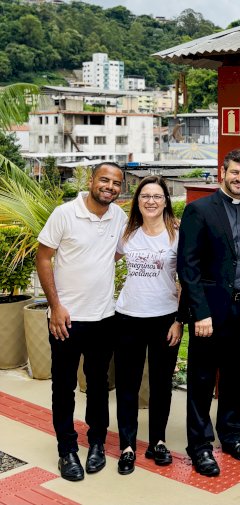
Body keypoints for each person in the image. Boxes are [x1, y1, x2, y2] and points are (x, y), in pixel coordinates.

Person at [36, 162, 127, 481]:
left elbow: (116, 253)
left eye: (117, 183)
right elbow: (43, 256)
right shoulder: (64, 213)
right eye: (105, 180)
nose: (110, 187)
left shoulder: (119, 217)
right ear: (92, 181)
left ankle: (98, 443)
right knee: (64, 387)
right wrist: (55, 305)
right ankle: (67, 451)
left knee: (99, 385)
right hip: (66, 319)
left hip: (103, 318)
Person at [177, 148, 240, 477]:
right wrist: (199, 312)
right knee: (201, 378)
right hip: (209, 310)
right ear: (222, 171)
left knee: (236, 376)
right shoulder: (199, 210)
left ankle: (231, 434)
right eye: (235, 172)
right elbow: (189, 265)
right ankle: (199, 445)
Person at [113, 175, 182, 475]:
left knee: (161, 385)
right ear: (137, 202)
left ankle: (158, 441)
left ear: (166, 201)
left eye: (157, 196)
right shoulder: (126, 233)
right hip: (128, 317)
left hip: (165, 319)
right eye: (145, 196)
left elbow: (188, 281)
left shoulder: (177, 234)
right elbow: (105, 262)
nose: (151, 201)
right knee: (127, 385)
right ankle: (127, 446)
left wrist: (180, 320)